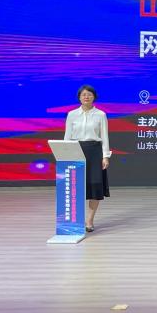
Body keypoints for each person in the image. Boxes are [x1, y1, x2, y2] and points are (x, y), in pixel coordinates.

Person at [63, 84, 111, 232]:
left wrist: (105, 156)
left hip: (95, 152)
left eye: (89, 94)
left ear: (94, 97)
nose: (86, 97)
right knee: (75, 186)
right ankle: (75, 219)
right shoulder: (72, 114)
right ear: (79, 97)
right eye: (83, 94)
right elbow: (67, 136)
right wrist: (65, 154)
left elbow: (104, 137)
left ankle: (89, 221)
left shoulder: (101, 114)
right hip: (76, 151)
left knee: (95, 186)